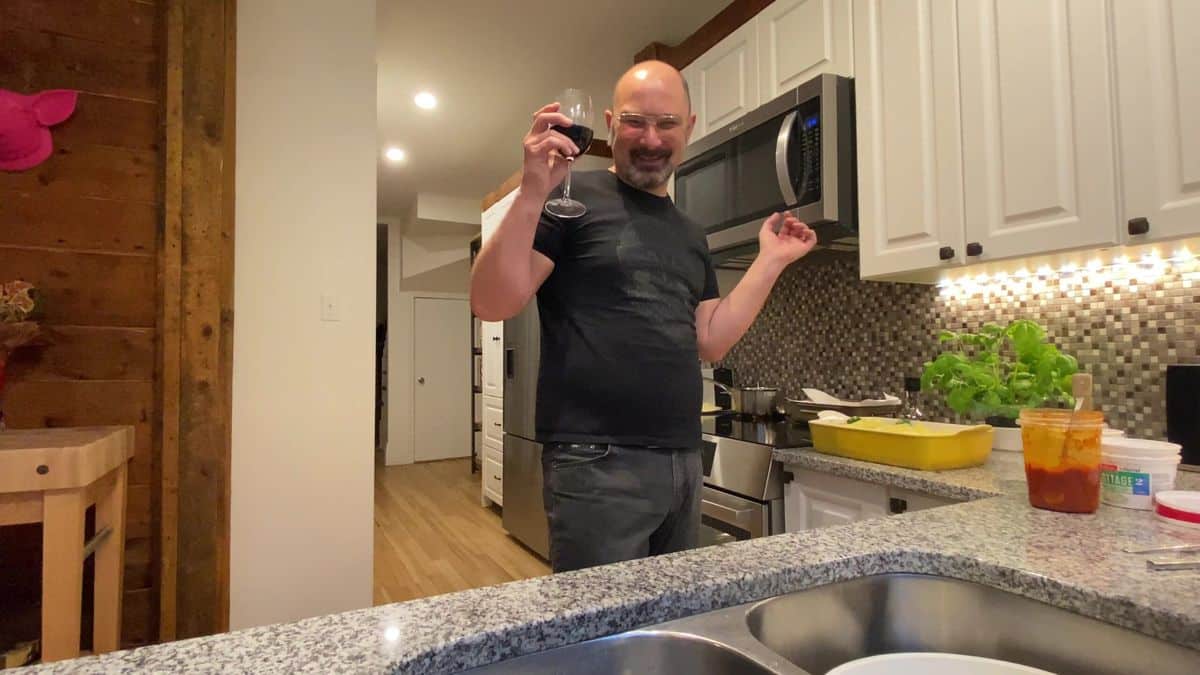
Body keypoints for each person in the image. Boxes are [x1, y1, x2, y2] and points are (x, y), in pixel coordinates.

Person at [470, 60, 816, 573]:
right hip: (595, 462)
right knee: (601, 619)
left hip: (683, 458)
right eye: (635, 122)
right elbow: (492, 303)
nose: (651, 139)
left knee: (672, 614)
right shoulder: (570, 198)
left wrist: (771, 261)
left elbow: (710, 339)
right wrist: (532, 191)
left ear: (689, 128)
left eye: (667, 124)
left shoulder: (690, 233)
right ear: (610, 125)